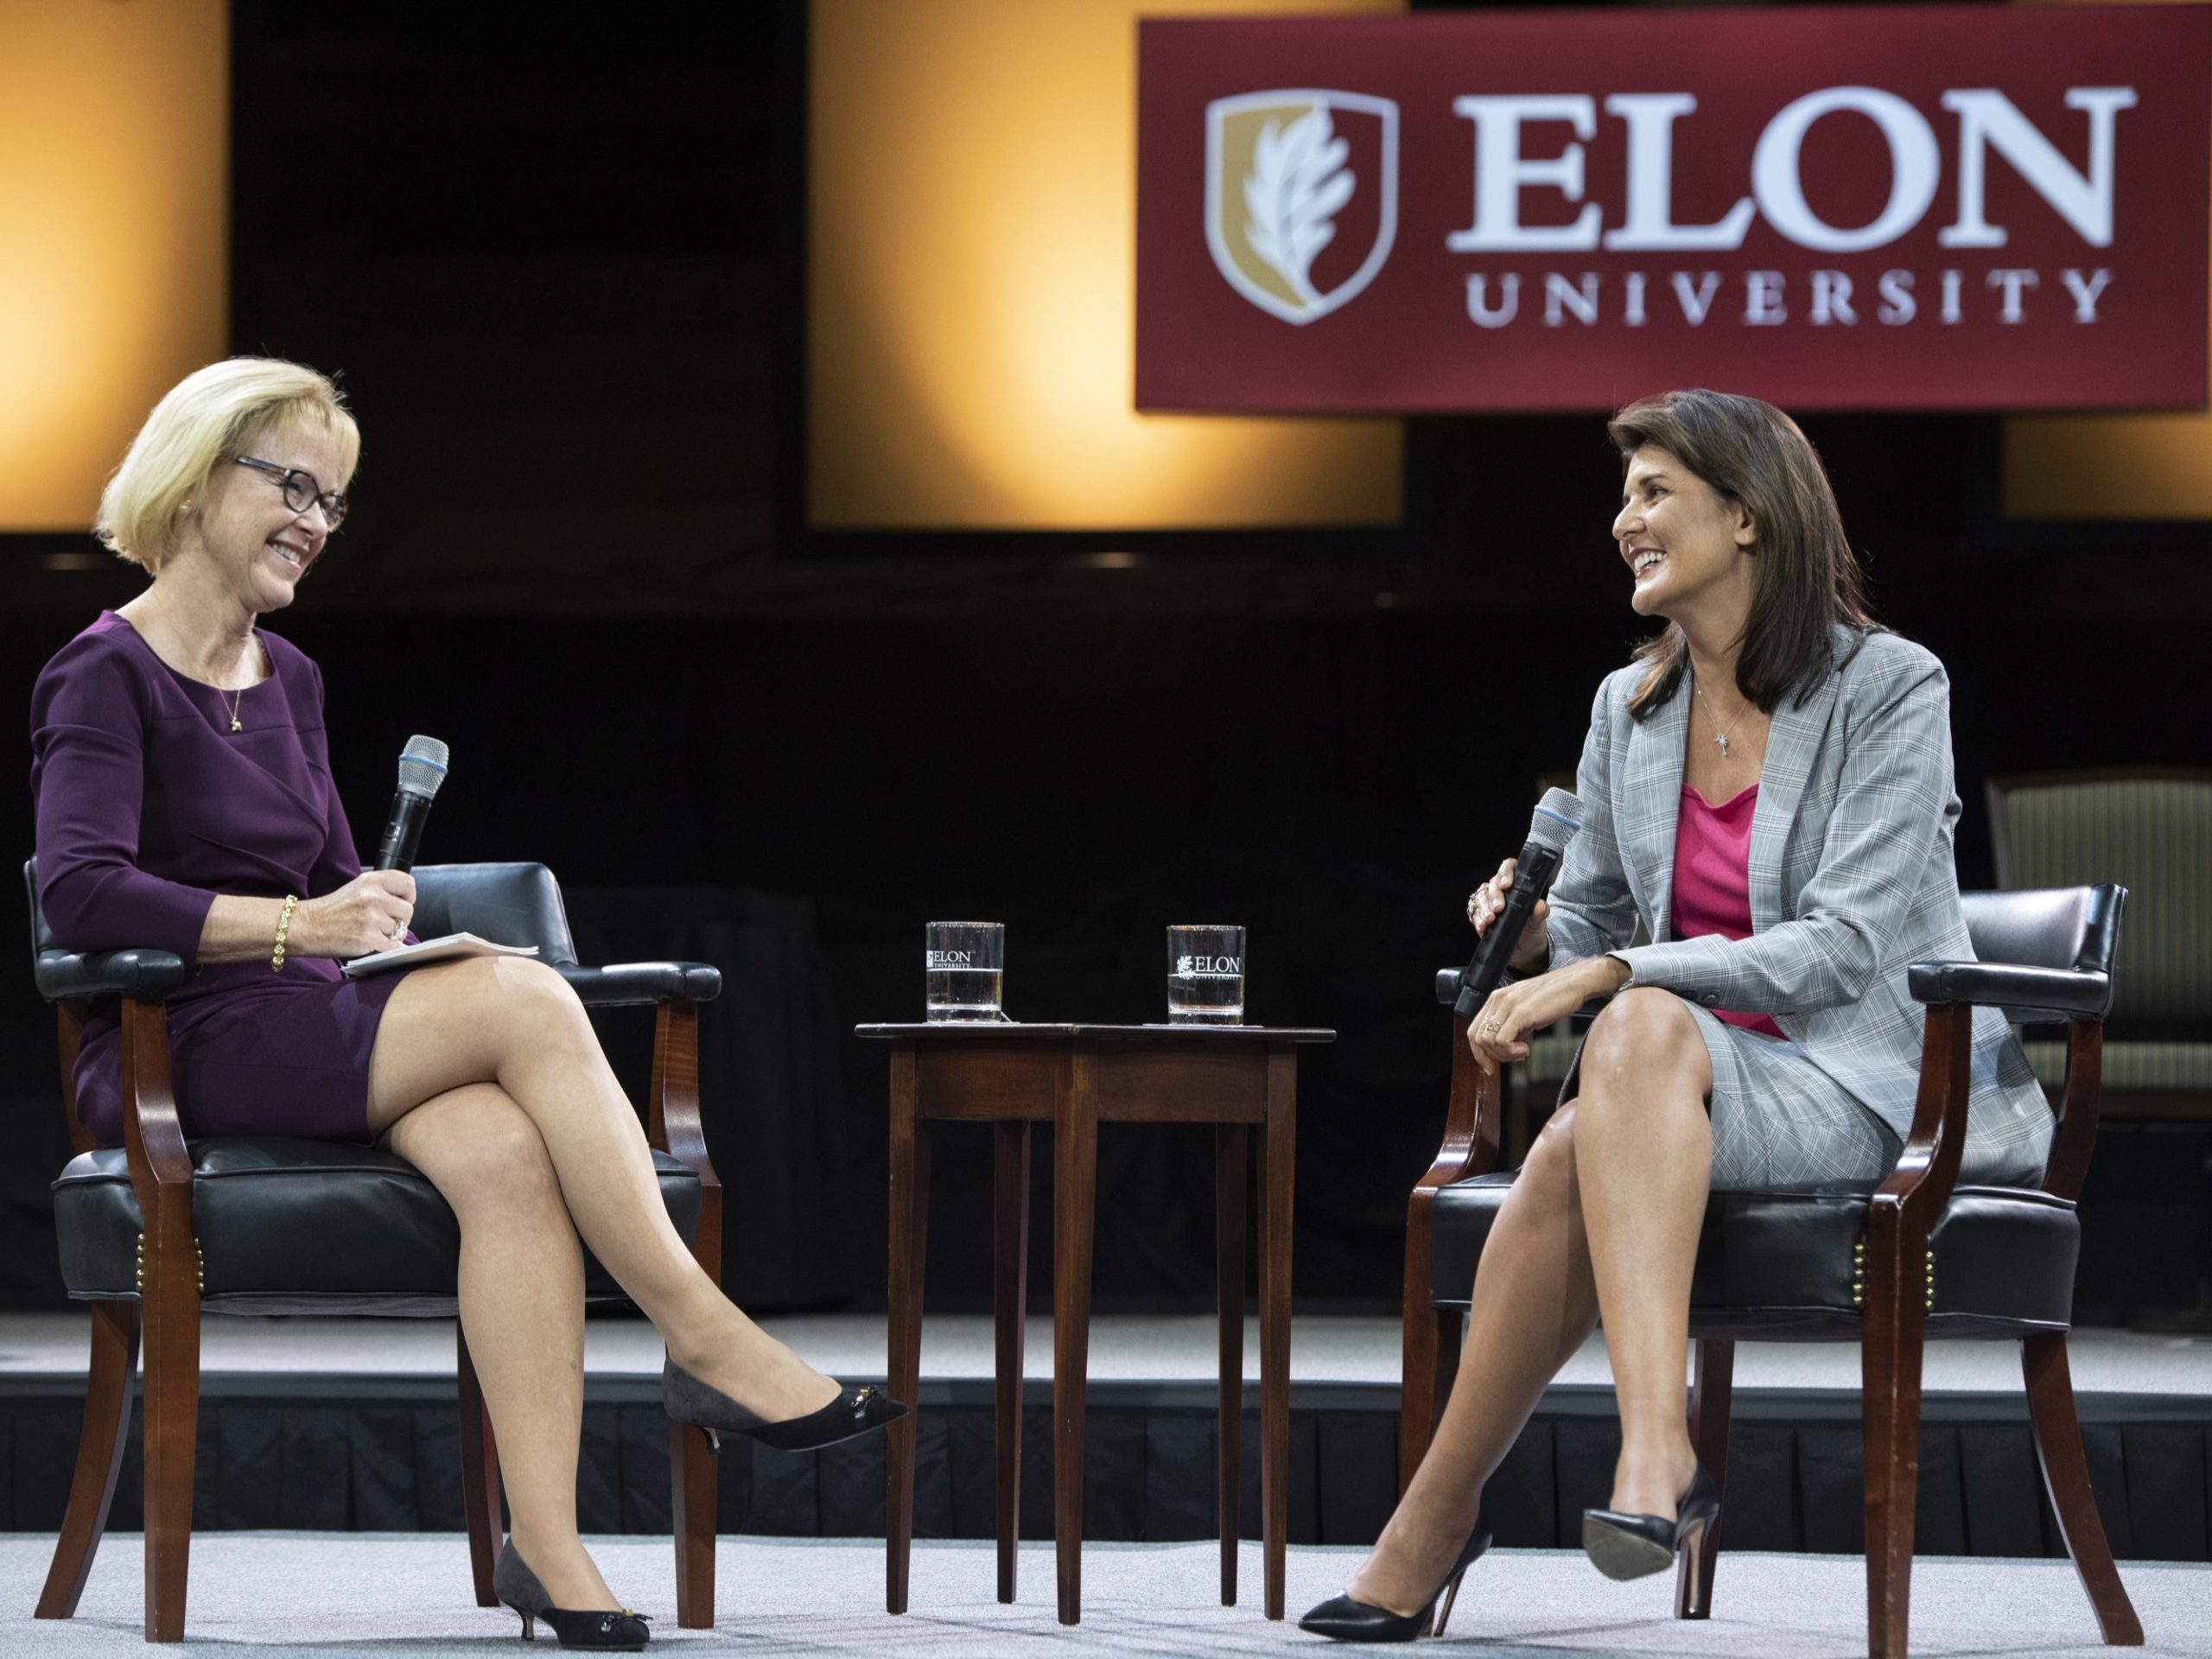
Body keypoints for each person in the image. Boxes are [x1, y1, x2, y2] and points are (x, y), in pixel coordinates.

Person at [30, 359, 902, 1651]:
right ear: (199, 476)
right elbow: (82, 890)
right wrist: (300, 928)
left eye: (333, 502)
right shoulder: (102, 671)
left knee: (504, 1150)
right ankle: (704, 1337)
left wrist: (387, 929)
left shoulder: (293, 678)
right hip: (180, 1039)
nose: (316, 523)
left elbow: (331, 879)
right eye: (293, 488)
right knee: (530, 1000)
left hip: (305, 1019)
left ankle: (546, 1548)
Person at [1300, 388, 2052, 1642]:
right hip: (1683, 1088)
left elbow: (1843, 947)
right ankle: (1622, 1469)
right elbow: (1598, 926)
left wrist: (1606, 975)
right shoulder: (1629, 708)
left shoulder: (1889, 686)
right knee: (1601, 1091)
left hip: (1874, 1083)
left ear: (1749, 515)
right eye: (1624, 496)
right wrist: (1540, 936)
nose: (1624, 521)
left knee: (1630, 1036)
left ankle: (1472, 1510)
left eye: (1655, 493)